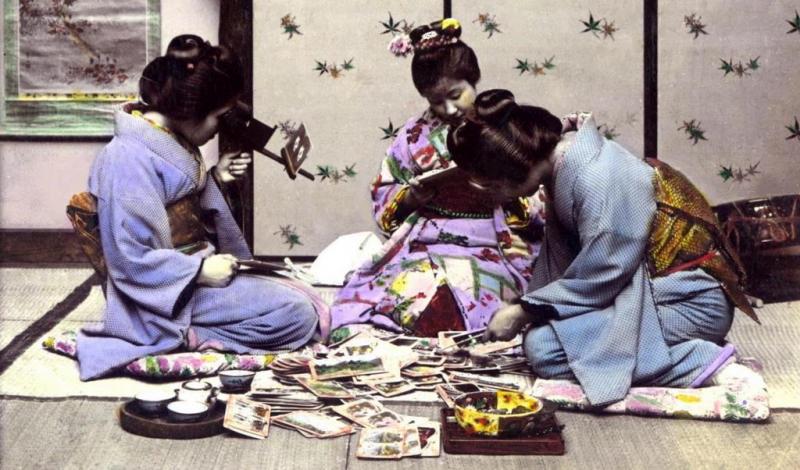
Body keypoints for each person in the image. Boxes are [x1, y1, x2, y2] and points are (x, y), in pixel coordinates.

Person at [448, 89, 760, 407]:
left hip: (692, 302)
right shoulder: (567, 166)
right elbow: (575, 266)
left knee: (544, 351)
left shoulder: (599, 177)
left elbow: (604, 275)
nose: (494, 195)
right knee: (544, 336)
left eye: (491, 184)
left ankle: (701, 361)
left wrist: (524, 311)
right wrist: (532, 308)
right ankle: (663, 350)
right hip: (648, 292)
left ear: (515, 163)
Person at [74, 35, 319, 380]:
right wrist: (198, 273)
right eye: (219, 117)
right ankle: (188, 337)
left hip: (195, 273)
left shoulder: (172, 140)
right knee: (297, 315)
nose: (220, 128)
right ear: (191, 111)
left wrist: (216, 179)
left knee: (301, 294)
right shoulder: (126, 158)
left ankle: (199, 329)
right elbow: (128, 258)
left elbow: (191, 205)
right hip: (162, 294)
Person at [329, 20, 544, 339]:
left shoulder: (504, 127)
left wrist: (506, 192)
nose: (448, 108)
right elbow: (385, 194)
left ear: (473, 80)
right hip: (427, 238)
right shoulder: (413, 136)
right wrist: (411, 197)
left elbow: (537, 186)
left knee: (476, 294)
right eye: (435, 101)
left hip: (494, 239)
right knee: (406, 291)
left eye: (456, 95)